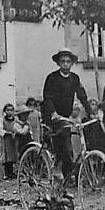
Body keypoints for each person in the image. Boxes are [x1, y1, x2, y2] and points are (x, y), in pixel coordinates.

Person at [41, 48, 90, 182]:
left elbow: (82, 96)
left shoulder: (74, 78)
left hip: (66, 116)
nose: (65, 64)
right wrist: (53, 113)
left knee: (68, 145)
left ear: (72, 63)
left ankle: (68, 175)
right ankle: (58, 167)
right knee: (63, 144)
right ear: (58, 63)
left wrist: (92, 112)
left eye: (68, 62)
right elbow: (47, 97)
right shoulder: (52, 78)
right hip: (52, 115)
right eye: (62, 61)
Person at [0, 103, 19, 180]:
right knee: (6, 156)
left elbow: (17, 126)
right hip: (6, 140)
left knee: (14, 155)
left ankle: (13, 172)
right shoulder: (2, 119)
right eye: (8, 110)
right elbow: (0, 129)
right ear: (5, 111)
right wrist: (7, 133)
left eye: (11, 110)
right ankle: (7, 173)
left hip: (13, 140)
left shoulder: (15, 119)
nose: (9, 112)